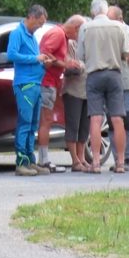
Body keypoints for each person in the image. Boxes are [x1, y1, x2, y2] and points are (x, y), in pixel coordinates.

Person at [76, 0, 128, 173]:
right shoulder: (119, 27)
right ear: (106, 11)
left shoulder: (85, 28)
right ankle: (121, 162)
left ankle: (96, 163)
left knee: (96, 119)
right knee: (117, 118)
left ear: (92, 12)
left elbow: (80, 57)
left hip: (94, 75)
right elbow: (126, 53)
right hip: (114, 74)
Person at [7, 4, 53, 176]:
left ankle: (30, 160)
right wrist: (35, 58)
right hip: (24, 85)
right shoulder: (17, 33)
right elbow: (12, 55)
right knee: (25, 123)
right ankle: (21, 162)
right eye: (39, 23)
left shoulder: (32, 36)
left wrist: (43, 62)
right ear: (32, 17)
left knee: (33, 124)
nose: (40, 26)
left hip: (35, 84)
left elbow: (34, 58)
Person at [35, 14, 84, 171]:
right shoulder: (57, 34)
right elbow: (44, 54)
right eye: (80, 33)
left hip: (51, 82)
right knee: (46, 120)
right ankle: (43, 160)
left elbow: (53, 56)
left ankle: (43, 159)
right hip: (46, 82)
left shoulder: (61, 35)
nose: (79, 38)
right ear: (75, 28)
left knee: (46, 120)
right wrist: (66, 65)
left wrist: (66, 63)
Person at [107, 5, 129, 171]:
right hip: (112, 85)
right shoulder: (105, 33)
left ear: (120, 20)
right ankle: (118, 158)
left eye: (111, 20)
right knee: (113, 122)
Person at [60, 17, 91, 172]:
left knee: (85, 127)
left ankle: (82, 157)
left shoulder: (90, 45)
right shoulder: (70, 43)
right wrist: (80, 66)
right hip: (73, 90)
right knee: (73, 125)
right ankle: (75, 160)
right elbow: (68, 64)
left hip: (87, 90)